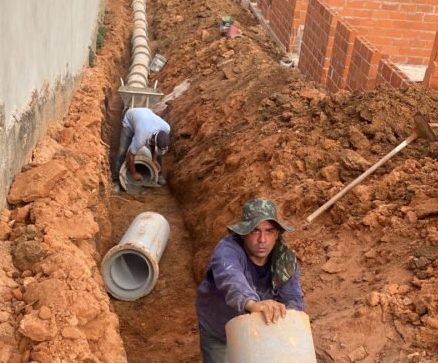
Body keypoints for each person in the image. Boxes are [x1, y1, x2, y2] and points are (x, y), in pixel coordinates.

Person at [196, 198, 305, 363]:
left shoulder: (285, 260)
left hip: (257, 327)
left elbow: (292, 299)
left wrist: (287, 319)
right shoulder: (227, 251)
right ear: (244, 232)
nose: (262, 239)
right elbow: (231, 280)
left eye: (269, 231)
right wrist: (253, 303)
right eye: (255, 231)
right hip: (219, 327)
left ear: (277, 234)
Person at [113, 107, 170, 185]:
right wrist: (134, 173)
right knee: (122, 150)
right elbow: (130, 156)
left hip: (146, 115)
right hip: (130, 120)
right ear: (153, 140)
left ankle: (159, 174)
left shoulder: (166, 128)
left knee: (157, 152)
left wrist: (154, 160)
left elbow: (158, 147)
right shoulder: (141, 137)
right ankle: (116, 178)